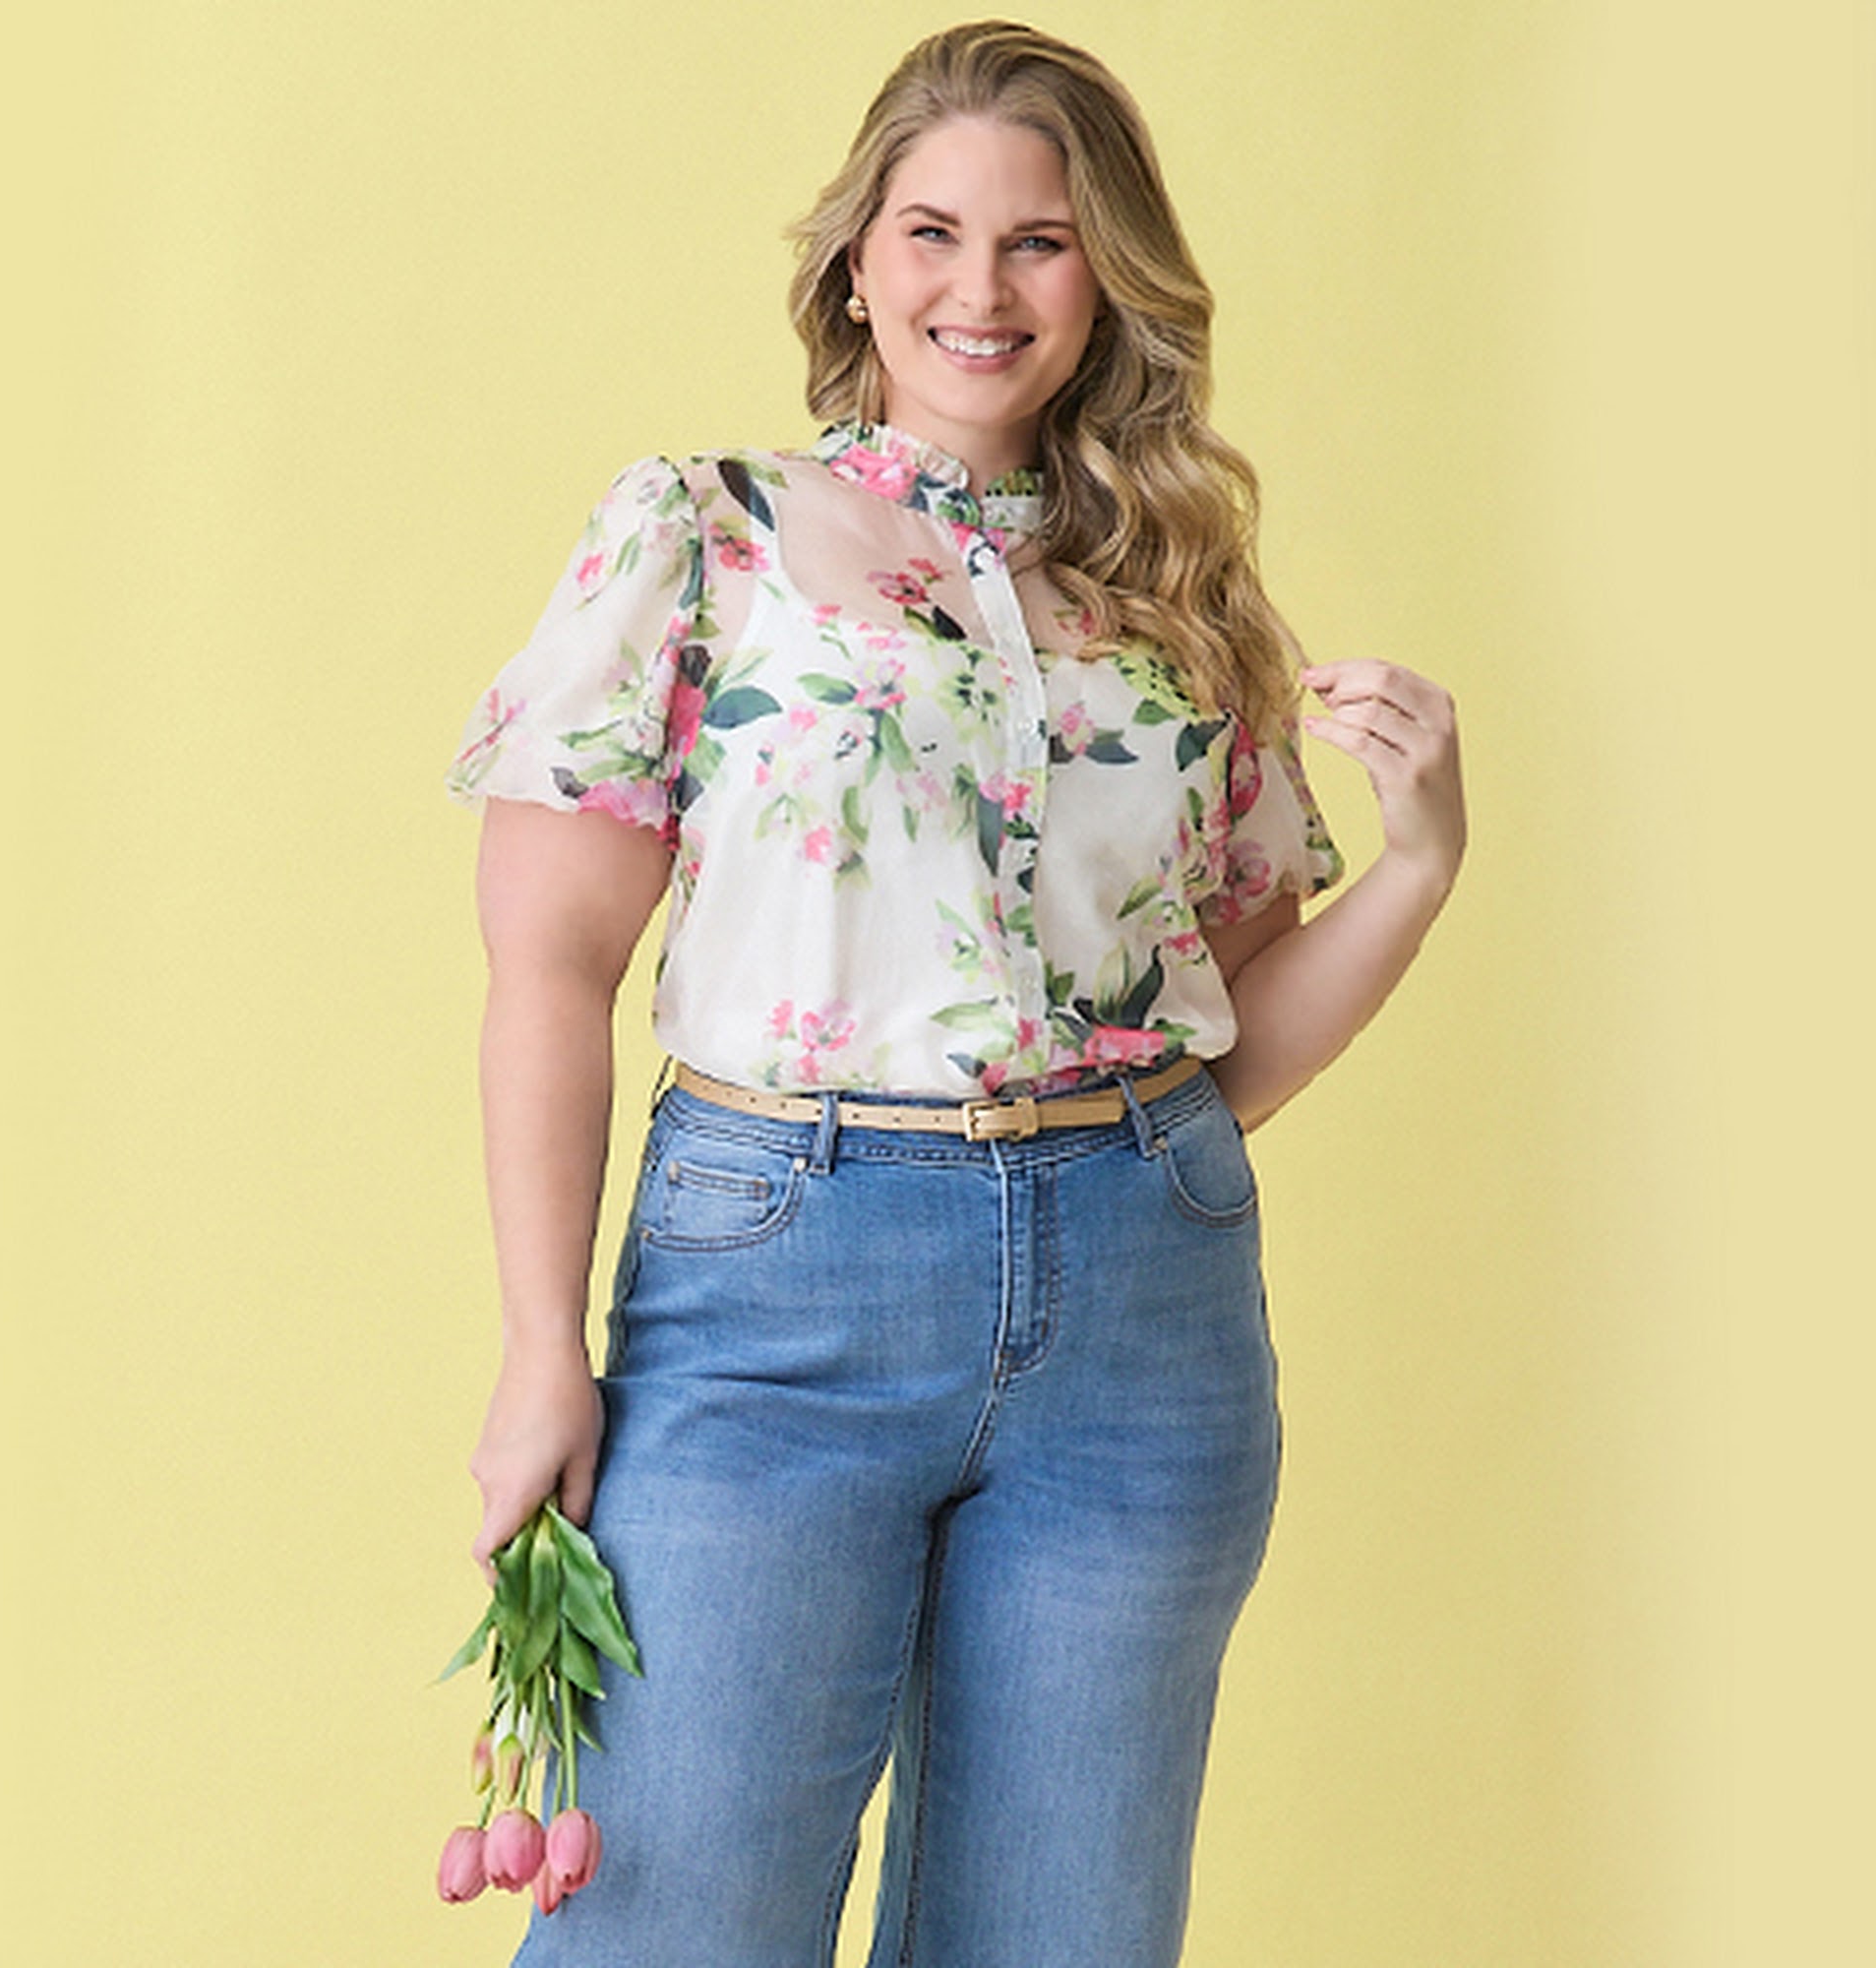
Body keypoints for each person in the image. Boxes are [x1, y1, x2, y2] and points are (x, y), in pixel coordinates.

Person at [446, 21, 1464, 1968]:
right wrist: (536, 1348)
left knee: (1063, 1942)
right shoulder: (704, 533)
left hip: (1143, 1303)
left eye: (1038, 241)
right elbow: (550, 966)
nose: (978, 288)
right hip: (780, 1282)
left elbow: (1231, 1045)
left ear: (1106, 277)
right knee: (674, 1923)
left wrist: (1419, 860)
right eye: (931, 232)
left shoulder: (1178, 586)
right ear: (855, 260)